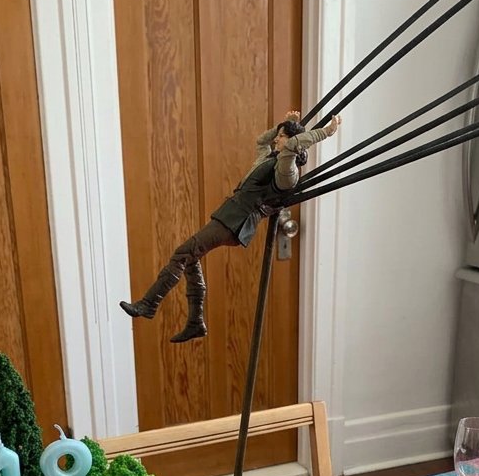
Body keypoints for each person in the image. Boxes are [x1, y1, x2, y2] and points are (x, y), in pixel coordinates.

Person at [120, 110, 341, 342]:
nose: (277, 139)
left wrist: (325, 132)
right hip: (228, 216)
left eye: (282, 137)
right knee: (190, 258)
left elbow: (292, 145)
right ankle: (195, 322)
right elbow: (261, 141)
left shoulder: (287, 172)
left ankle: (149, 305)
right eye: (280, 135)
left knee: (182, 254)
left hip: (236, 224)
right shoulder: (269, 159)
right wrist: (284, 125)